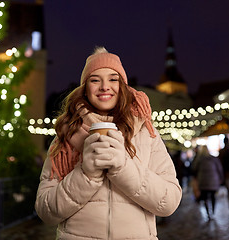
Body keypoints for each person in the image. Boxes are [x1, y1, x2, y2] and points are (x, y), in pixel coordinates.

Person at [35, 47, 182, 239]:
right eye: (95, 80)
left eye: (113, 79)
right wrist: (86, 173)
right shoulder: (66, 136)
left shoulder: (146, 134)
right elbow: (46, 210)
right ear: (85, 88)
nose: (105, 87)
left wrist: (123, 167)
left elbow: (169, 202)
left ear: (123, 86)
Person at [193, 145, 224, 220]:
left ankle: (208, 213)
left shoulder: (199, 159)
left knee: (205, 197)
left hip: (203, 181)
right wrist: (221, 178)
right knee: (213, 196)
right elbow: (220, 169)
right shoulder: (214, 159)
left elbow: (194, 170)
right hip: (214, 181)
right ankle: (213, 212)